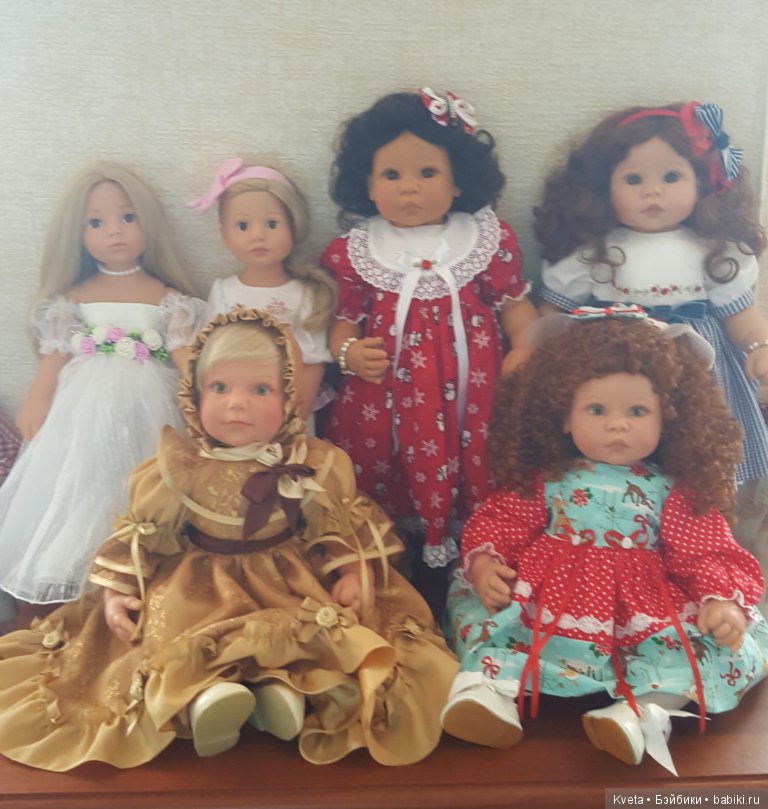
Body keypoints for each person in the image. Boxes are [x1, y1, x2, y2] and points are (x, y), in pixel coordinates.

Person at [0, 308, 457, 771]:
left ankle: (284, 694)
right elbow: (142, 533)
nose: (237, 404)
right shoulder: (180, 468)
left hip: (284, 576)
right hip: (200, 582)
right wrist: (119, 590)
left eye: (260, 390)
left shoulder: (308, 463)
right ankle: (208, 701)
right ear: (195, 394)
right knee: (176, 638)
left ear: (289, 397)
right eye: (220, 388)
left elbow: (334, 525)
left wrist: (352, 571)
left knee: (310, 636)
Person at [441, 305, 768, 775]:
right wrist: (485, 564)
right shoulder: (548, 478)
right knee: (492, 620)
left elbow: (703, 549)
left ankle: (643, 714)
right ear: (564, 417)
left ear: (668, 418)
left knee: (699, 646)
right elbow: (503, 520)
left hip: (640, 607)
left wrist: (720, 600)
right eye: (597, 410)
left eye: (637, 411)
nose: (618, 425)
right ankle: (486, 693)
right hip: (549, 597)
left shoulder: (672, 491)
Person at [321, 88, 538, 573]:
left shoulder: (486, 240)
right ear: (368, 185)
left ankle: (476, 551)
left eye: (427, 173)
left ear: (458, 180)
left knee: (482, 456)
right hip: (386, 395)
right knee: (384, 460)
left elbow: (514, 303)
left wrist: (525, 345)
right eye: (391, 175)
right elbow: (342, 321)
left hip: (474, 396)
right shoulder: (357, 251)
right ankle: (390, 552)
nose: (409, 188)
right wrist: (348, 353)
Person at [0, 162, 206, 607]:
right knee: (81, 484)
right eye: (96, 222)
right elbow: (55, 355)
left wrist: (203, 405)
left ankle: (139, 570)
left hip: (149, 407)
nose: (115, 231)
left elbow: (186, 360)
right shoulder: (74, 298)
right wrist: (38, 399)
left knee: (141, 482)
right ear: (77, 234)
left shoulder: (166, 297)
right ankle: (83, 581)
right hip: (83, 409)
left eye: (128, 217)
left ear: (148, 223)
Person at [535, 102, 768, 492]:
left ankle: (693, 512)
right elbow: (552, 316)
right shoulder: (591, 251)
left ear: (702, 183)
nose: (653, 191)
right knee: (618, 438)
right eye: (633, 179)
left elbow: (740, 315)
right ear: (604, 188)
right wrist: (539, 359)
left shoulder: (714, 249)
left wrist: (760, 345)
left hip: (697, 371)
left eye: (672, 176)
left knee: (695, 448)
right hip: (616, 370)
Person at [191, 158, 337, 429]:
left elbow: (313, 362)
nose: (258, 235)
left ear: (293, 227)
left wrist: (295, 418)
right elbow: (211, 359)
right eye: (243, 226)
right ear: (224, 235)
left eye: (271, 224)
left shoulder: (305, 294)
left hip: (287, 411)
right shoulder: (223, 291)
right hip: (235, 411)